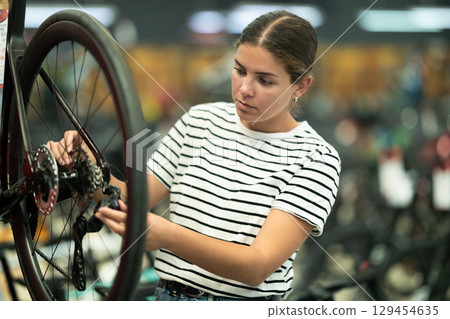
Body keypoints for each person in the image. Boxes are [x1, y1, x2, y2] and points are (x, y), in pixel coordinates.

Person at [47, 10, 341, 301]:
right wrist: (87, 165)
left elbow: (257, 266)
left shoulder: (316, 158)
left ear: (300, 85)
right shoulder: (199, 120)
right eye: (239, 70)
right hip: (167, 297)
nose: (244, 89)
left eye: (265, 80)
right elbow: (128, 202)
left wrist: (170, 236)